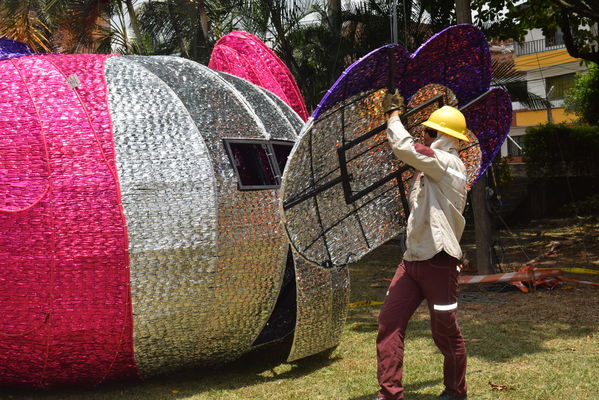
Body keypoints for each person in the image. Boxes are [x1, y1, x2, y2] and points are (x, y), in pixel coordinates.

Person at [373, 90, 469, 400]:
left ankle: (456, 391)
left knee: (445, 331)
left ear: (440, 134)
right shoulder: (433, 168)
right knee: (390, 322)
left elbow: (404, 146)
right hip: (412, 259)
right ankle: (390, 393)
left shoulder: (446, 162)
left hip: (439, 261)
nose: (422, 135)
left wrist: (393, 115)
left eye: (427, 131)